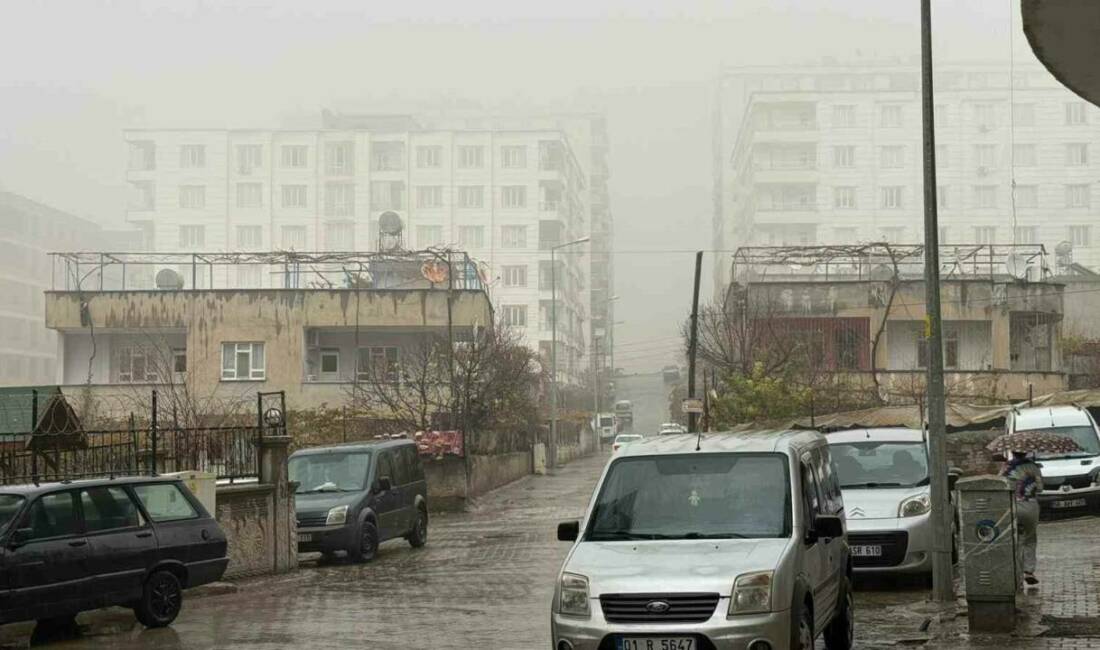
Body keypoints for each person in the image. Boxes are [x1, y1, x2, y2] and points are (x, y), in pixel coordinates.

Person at [1000, 450, 1043, 586]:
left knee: (1015, 540)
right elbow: (1040, 488)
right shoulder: (1034, 467)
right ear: (1026, 453)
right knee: (1030, 539)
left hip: (1012, 506)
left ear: (1013, 452)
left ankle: (1016, 574)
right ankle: (1029, 571)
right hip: (1030, 506)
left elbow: (999, 485)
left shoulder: (1007, 467)